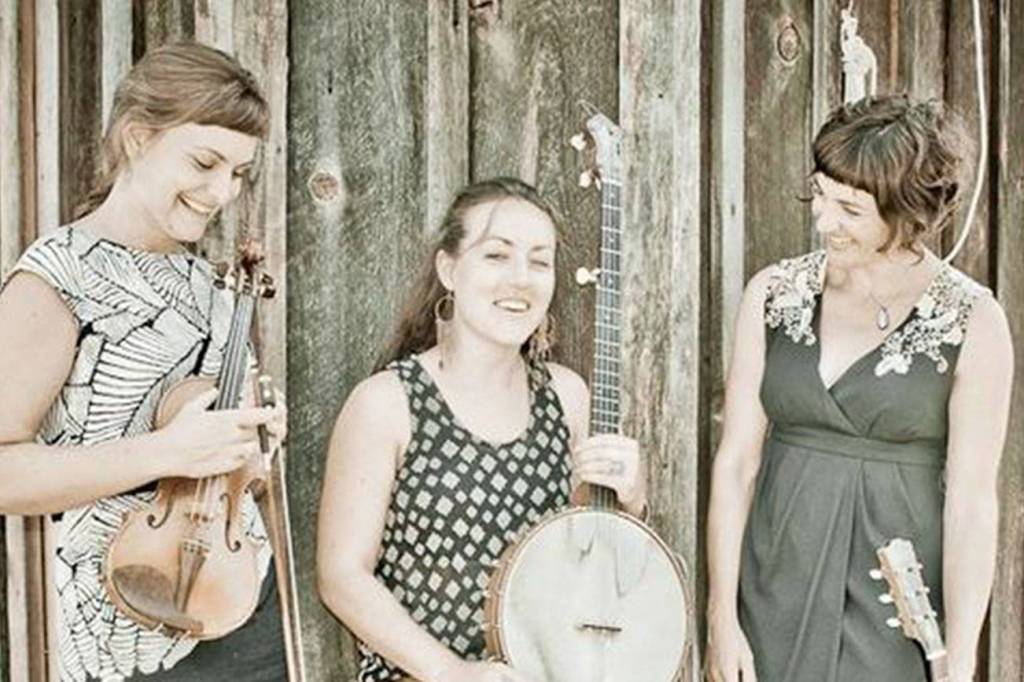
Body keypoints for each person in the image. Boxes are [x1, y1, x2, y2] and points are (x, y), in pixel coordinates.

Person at [0, 42, 288, 681]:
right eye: (205, 162)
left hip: (241, 604)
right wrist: (167, 452)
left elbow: (228, 473)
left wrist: (251, 450)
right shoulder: (58, 278)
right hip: (121, 627)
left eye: (239, 173)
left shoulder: (215, 285)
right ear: (137, 137)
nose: (221, 192)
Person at [706, 94, 1013, 682]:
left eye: (849, 208)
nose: (824, 221)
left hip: (900, 602)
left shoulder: (975, 320)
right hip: (775, 585)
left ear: (906, 212)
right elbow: (736, 462)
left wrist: (961, 656)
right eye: (820, 195)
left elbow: (972, 500)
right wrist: (722, 616)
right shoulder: (773, 293)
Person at [317, 177, 648, 682]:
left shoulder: (566, 396)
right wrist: (453, 672)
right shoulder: (387, 402)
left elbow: (593, 565)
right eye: (497, 255)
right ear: (449, 269)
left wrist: (631, 501)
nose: (521, 279)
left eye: (540, 262)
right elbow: (342, 576)